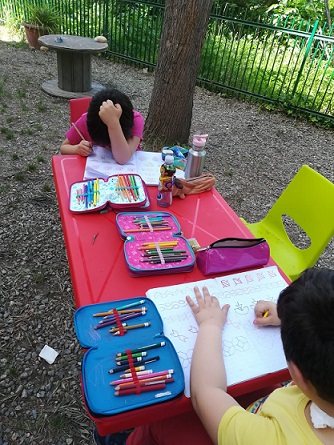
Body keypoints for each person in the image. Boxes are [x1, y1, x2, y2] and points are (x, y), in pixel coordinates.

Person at [94, 268, 334, 445]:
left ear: (299, 375)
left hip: (252, 425)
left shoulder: (267, 440)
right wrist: (295, 317)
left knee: (167, 417)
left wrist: (210, 325)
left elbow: (205, 392)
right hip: (278, 408)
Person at [60, 88, 144, 164]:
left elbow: (122, 158)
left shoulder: (135, 120)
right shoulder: (87, 121)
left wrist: (113, 123)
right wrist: (77, 149)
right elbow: (63, 148)